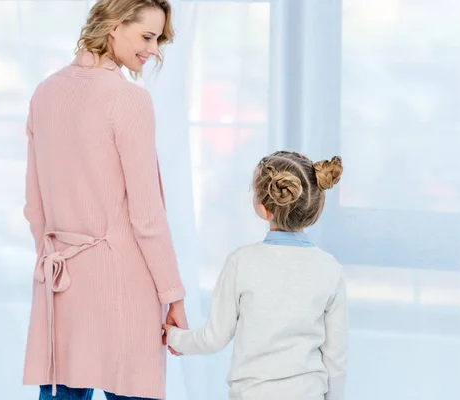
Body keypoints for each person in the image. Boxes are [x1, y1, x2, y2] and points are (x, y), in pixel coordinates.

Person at [22, 1, 187, 399]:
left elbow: (35, 206)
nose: (152, 50)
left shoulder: (45, 92)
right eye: (147, 36)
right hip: (123, 284)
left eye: (158, 40)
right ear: (113, 26)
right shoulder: (127, 99)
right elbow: (147, 216)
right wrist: (173, 297)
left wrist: (50, 260)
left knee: (63, 391)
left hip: (62, 280)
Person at [163, 151, 349, 400]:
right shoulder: (329, 268)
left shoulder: (241, 262)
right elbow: (336, 358)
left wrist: (174, 337)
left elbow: (213, 339)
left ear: (263, 207)